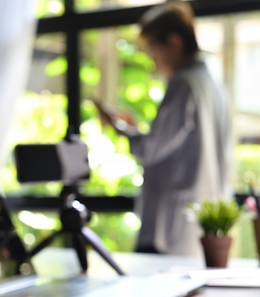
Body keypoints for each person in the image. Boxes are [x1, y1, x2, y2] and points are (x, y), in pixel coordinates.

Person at [94, 1, 232, 256]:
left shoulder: (184, 84)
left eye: (152, 50)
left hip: (172, 231)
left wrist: (119, 126)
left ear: (174, 42)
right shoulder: (213, 83)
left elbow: (150, 148)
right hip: (202, 228)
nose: (152, 61)